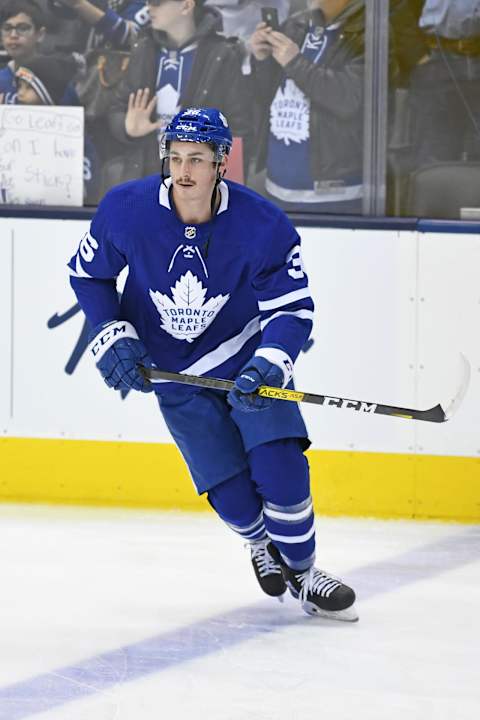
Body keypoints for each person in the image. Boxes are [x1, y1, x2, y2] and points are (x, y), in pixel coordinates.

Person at [67, 106, 358, 621]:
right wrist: (111, 334)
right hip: (173, 374)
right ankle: (261, 545)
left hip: (243, 360)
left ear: (222, 162)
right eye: (175, 157)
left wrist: (271, 362)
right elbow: (89, 277)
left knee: (281, 468)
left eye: (197, 159)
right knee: (233, 495)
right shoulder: (126, 209)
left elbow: (291, 309)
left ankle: (307, 574)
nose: (183, 171)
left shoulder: (262, 222)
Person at [106, 0, 250, 185]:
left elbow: (239, 129)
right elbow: (117, 108)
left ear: (186, 6)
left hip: (199, 184)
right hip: (147, 177)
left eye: (157, 2)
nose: (149, 7)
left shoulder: (221, 54)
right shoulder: (143, 48)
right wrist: (127, 129)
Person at [248, 0, 365, 214]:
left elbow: (348, 99)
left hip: (334, 197)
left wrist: (295, 62)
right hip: (277, 190)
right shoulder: (296, 24)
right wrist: (262, 60)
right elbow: (268, 96)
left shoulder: (371, 32)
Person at [14, 54, 100, 203]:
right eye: (19, 86)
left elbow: (88, 183)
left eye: (28, 87)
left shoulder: (74, 136)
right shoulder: (9, 129)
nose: (20, 92)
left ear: (46, 93)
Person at [0, 0, 80, 104]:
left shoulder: (58, 83)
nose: (13, 35)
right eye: (7, 28)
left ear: (40, 34)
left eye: (23, 28)